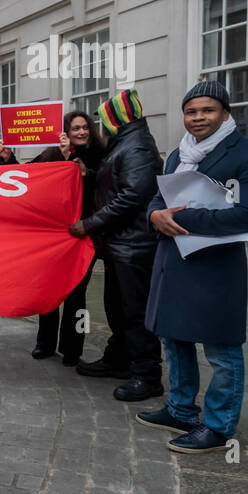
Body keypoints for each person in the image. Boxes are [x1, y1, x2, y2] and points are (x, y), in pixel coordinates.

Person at [138, 80, 248, 453]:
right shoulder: (177, 155)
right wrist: (154, 216)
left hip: (217, 265)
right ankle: (181, 409)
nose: (198, 118)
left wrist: (185, 218)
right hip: (174, 259)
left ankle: (218, 427)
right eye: (191, 111)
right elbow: (156, 197)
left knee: (221, 349)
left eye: (207, 110)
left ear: (226, 113)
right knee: (173, 337)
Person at [69, 90, 164, 401]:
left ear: (116, 118)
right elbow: (119, 185)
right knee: (118, 307)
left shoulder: (136, 146)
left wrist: (90, 224)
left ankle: (147, 375)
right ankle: (119, 359)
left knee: (135, 312)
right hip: (121, 245)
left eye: (103, 118)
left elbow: (133, 196)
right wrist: (92, 174)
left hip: (134, 246)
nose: (101, 125)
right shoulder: (126, 143)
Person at [0, 112, 105, 365]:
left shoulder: (99, 155)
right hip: (53, 239)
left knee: (77, 296)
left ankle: (73, 349)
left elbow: (102, 189)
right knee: (49, 292)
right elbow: (26, 181)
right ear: (65, 131)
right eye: (75, 128)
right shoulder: (49, 155)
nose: (81, 132)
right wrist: (7, 159)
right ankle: (44, 343)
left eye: (85, 127)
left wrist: (77, 166)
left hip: (82, 236)